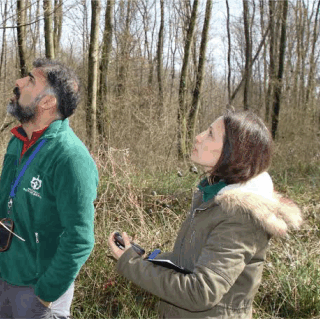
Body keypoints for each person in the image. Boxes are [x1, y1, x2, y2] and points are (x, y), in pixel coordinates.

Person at [108, 111, 302, 318]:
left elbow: (201, 293)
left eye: (210, 134)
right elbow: (189, 263)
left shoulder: (242, 216)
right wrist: (146, 259)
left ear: (235, 151)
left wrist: (131, 264)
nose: (198, 137)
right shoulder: (213, 195)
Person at [0, 59, 99, 319]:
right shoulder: (17, 141)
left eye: (31, 80)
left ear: (48, 102)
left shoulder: (71, 158)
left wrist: (46, 294)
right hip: (1, 276)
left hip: (38, 293)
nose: (19, 82)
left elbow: (80, 239)